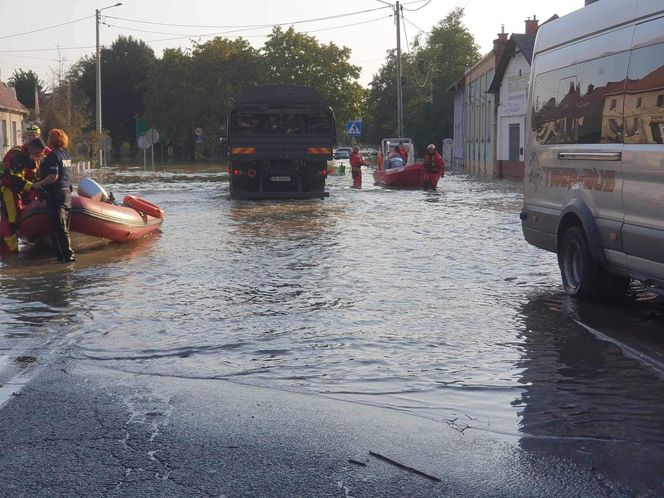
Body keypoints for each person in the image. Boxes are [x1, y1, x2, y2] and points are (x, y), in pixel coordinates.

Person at [31, 129, 75, 263]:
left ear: (51, 140)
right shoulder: (66, 155)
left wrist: (38, 184)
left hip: (56, 196)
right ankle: (65, 257)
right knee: (64, 228)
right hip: (66, 194)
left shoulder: (52, 156)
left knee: (58, 229)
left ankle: (66, 258)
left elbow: (53, 176)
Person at [0, 138, 46, 252]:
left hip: (22, 188)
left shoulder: (33, 157)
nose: (37, 156)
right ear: (31, 148)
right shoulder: (17, 155)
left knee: (23, 212)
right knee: (11, 218)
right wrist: (34, 186)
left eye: (39, 155)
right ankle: (10, 250)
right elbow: (15, 179)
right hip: (9, 188)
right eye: (36, 154)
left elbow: (36, 175)